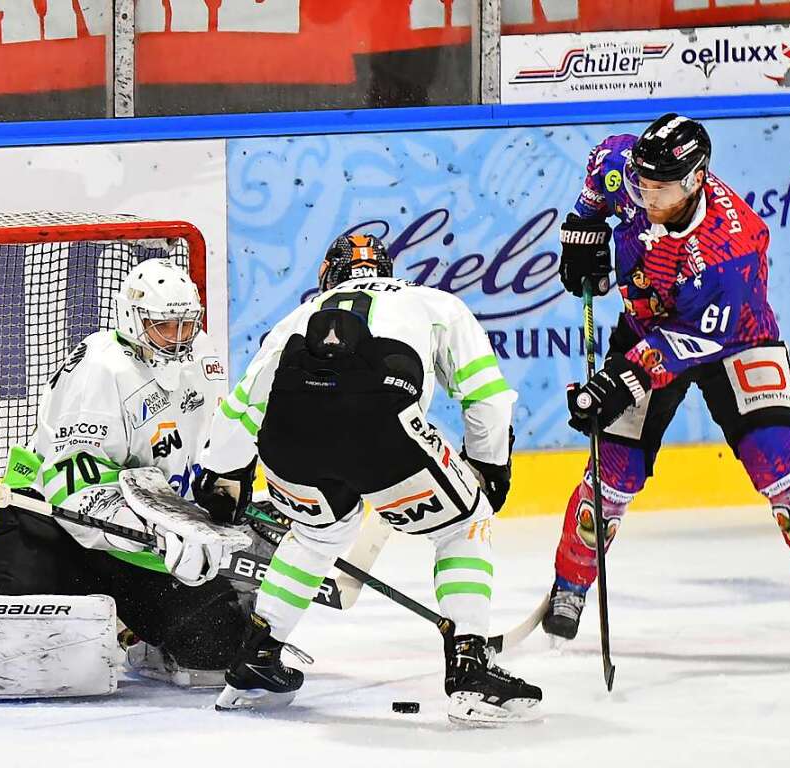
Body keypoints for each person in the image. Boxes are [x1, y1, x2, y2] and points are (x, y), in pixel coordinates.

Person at [192, 234, 542, 723]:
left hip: (290, 437)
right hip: (381, 431)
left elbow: (248, 402)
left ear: (328, 278)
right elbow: (487, 396)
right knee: (464, 523)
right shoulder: (433, 302)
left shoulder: (301, 315)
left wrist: (221, 472)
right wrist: (489, 465)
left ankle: (257, 654)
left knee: (314, 535)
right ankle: (469, 667)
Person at [544, 113, 790, 640]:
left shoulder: (731, 248)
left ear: (694, 182)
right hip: (648, 325)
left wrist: (619, 381)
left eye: (658, 191)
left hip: (735, 340)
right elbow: (602, 168)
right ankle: (570, 585)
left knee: (786, 471)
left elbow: (691, 344)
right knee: (612, 473)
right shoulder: (631, 170)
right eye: (640, 185)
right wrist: (584, 227)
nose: (644, 198)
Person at [0, 257, 249, 683]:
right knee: (17, 659)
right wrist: (160, 533)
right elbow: (73, 487)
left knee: (218, 648)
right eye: (165, 326)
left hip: (144, 532)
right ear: (132, 318)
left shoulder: (202, 360)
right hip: (50, 523)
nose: (179, 338)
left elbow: (218, 442)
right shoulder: (101, 368)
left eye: (187, 325)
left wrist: (224, 501)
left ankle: (140, 635)